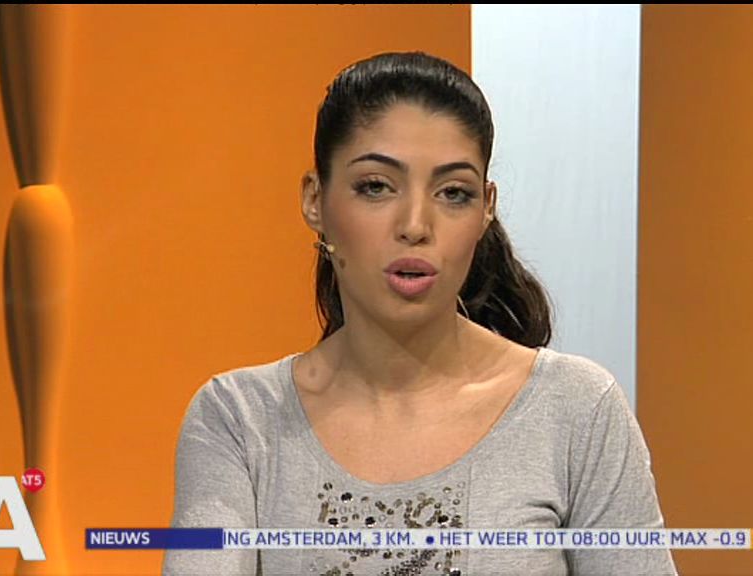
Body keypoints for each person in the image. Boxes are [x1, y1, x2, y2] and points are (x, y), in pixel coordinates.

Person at [163, 51, 677, 576]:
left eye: (453, 193)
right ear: (315, 199)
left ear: (486, 208)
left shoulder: (577, 410)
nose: (415, 225)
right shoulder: (239, 419)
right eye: (376, 186)